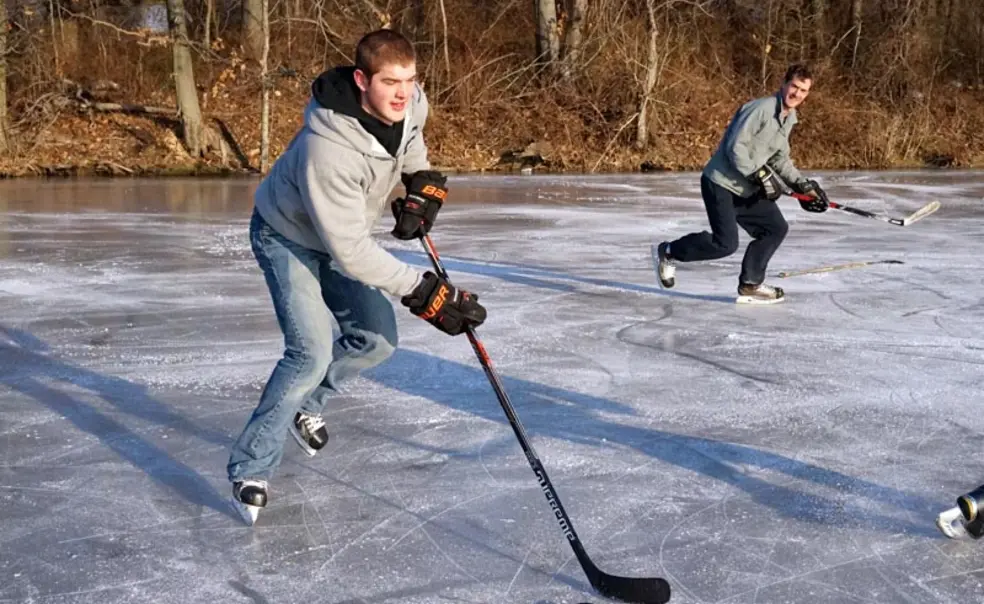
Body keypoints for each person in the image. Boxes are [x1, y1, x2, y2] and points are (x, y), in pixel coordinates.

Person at [227, 29, 487, 525]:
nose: (403, 93)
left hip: (339, 238)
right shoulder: (329, 149)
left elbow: (411, 145)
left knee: (377, 340)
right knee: (309, 354)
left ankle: (308, 407)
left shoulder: (412, 104)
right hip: (288, 237)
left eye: (410, 80)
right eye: (390, 81)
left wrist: (421, 188)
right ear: (361, 79)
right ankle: (250, 466)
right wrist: (424, 290)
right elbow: (349, 251)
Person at [653, 64, 830, 304]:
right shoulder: (761, 109)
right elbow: (735, 147)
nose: (797, 94)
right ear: (784, 83)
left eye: (804, 90)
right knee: (725, 244)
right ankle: (669, 251)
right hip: (721, 183)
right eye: (795, 87)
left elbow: (780, 158)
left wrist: (803, 186)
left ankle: (750, 284)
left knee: (775, 228)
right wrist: (759, 175)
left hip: (746, 188)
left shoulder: (789, 118)